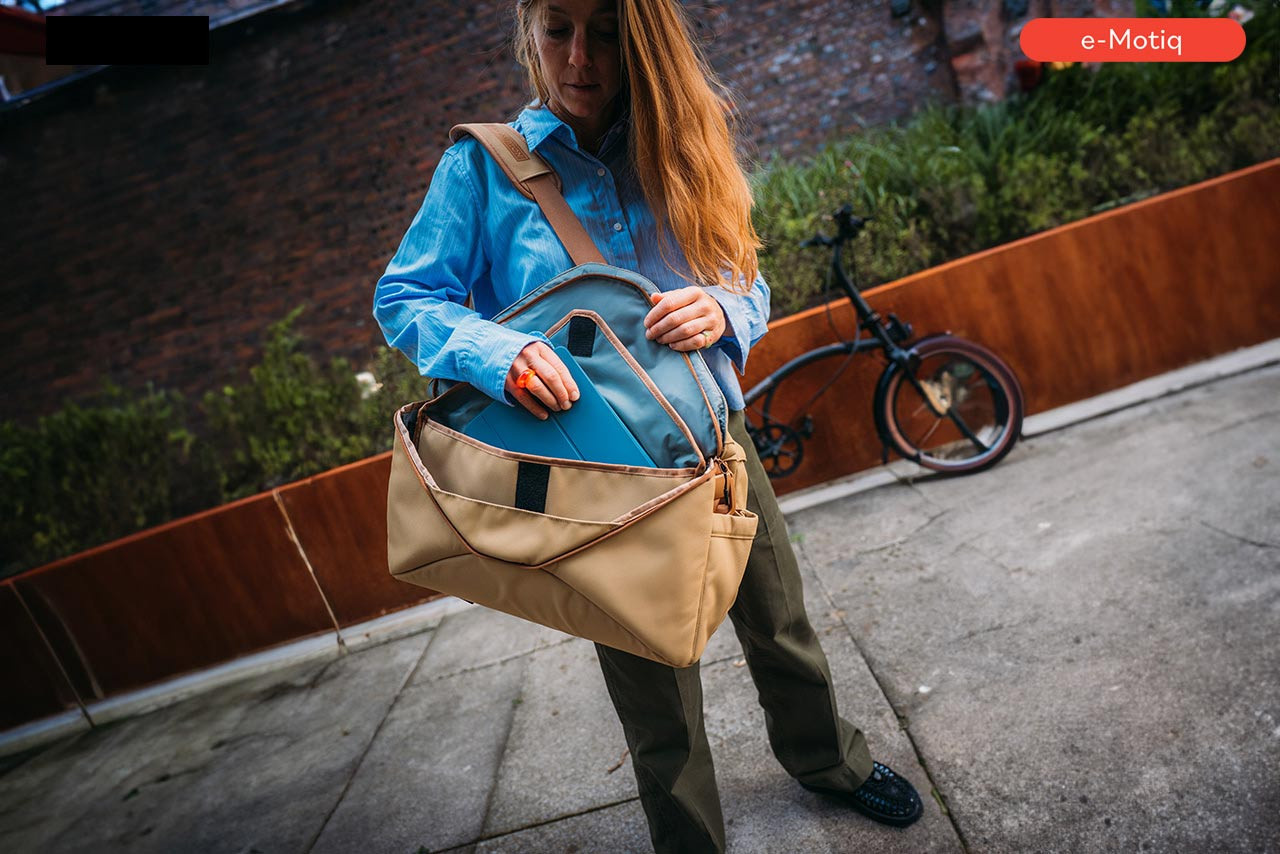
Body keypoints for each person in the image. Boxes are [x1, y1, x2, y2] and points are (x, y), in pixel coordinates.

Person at [372, 0, 924, 850]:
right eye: (558, 30)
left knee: (779, 621)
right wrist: (497, 353)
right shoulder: (481, 169)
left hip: (716, 442)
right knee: (651, 685)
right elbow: (406, 296)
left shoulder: (683, 139)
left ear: (641, 39)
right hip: (596, 475)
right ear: (529, 32)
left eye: (605, 32)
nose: (579, 58)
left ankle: (828, 761)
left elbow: (744, 273)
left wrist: (723, 310)